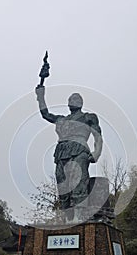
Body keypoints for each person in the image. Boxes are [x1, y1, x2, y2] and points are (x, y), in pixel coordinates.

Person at [35, 86, 103, 222]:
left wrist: (96, 153)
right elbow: (45, 114)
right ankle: (68, 216)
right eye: (71, 99)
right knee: (62, 183)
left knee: (78, 181)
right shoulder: (61, 119)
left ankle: (79, 214)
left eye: (77, 98)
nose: (74, 100)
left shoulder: (88, 117)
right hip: (61, 152)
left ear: (81, 103)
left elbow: (98, 136)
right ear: (68, 103)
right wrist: (41, 95)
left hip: (79, 149)